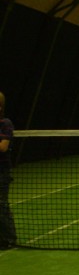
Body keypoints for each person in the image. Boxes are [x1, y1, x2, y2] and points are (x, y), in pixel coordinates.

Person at [0, 91, 17, 250]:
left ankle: (9, 238)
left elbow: (3, 147)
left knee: (1, 204)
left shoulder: (6, 124)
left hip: (2, 171)